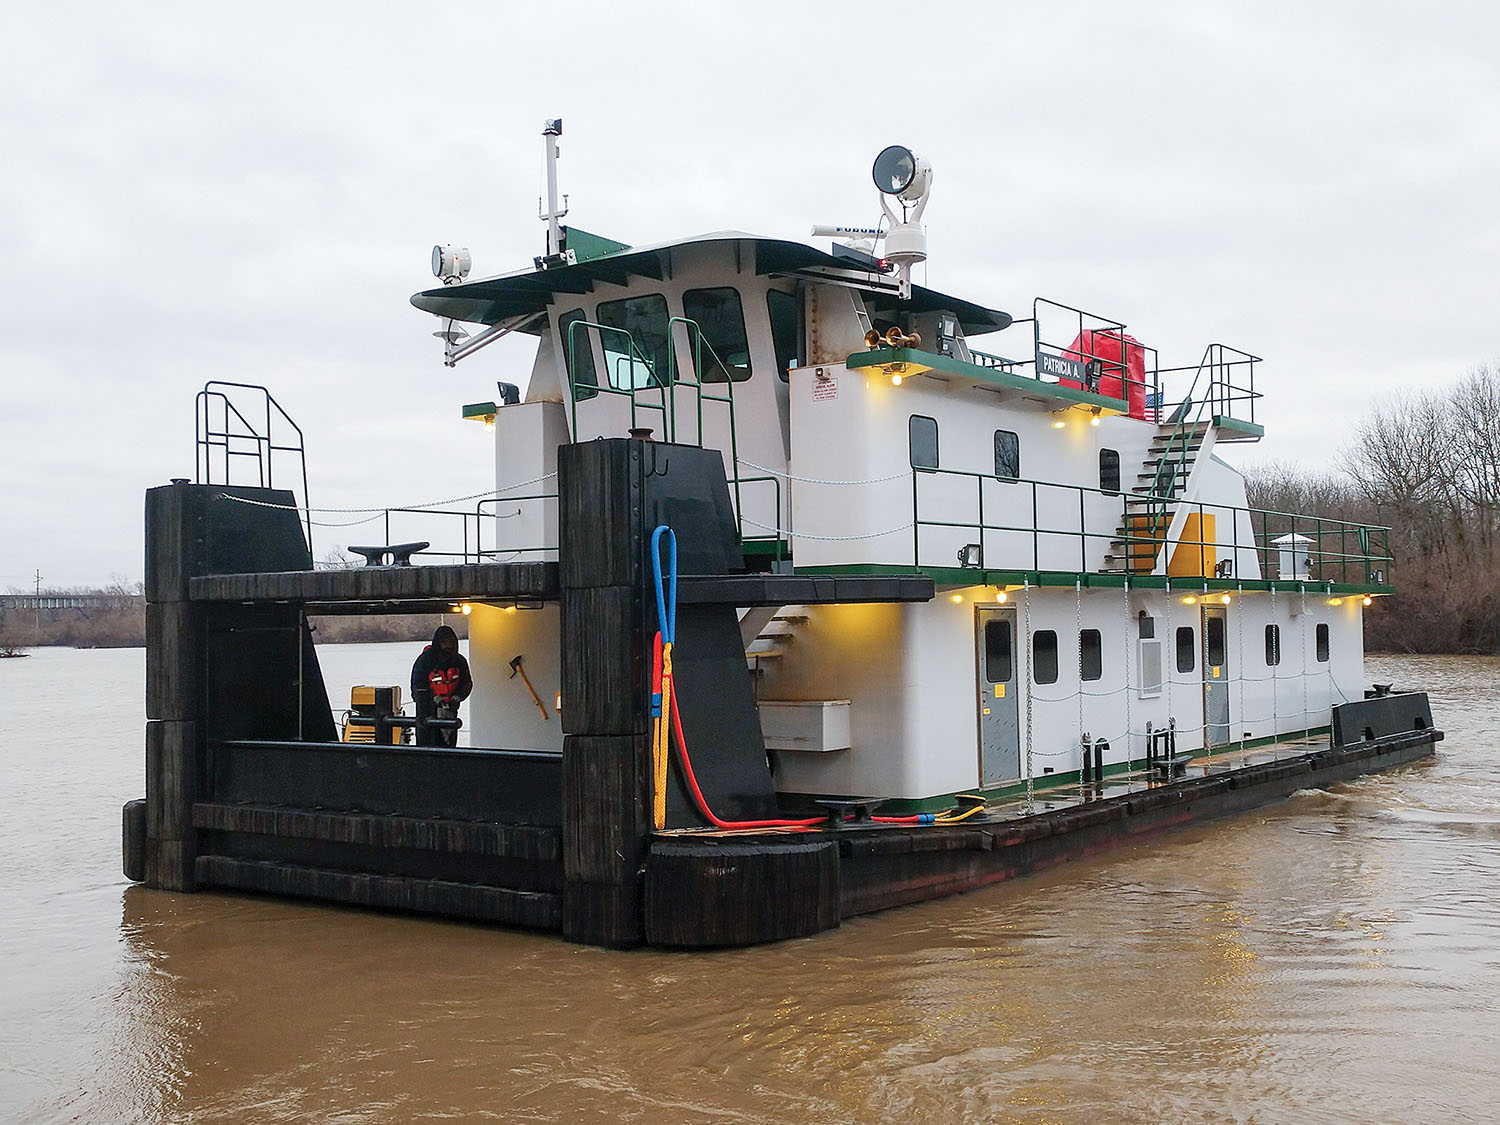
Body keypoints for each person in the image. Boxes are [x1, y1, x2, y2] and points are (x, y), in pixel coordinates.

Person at [410, 625, 473, 747]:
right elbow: (417, 687)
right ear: (438, 643)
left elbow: (466, 683)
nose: (448, 646)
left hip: (450, 711)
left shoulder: (459, 661)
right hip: (427, 714)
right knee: (428, 745)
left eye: (452, 642)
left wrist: (458, 697)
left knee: (448, 744)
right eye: (445, 642)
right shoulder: (424, 662)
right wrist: (432, 699)